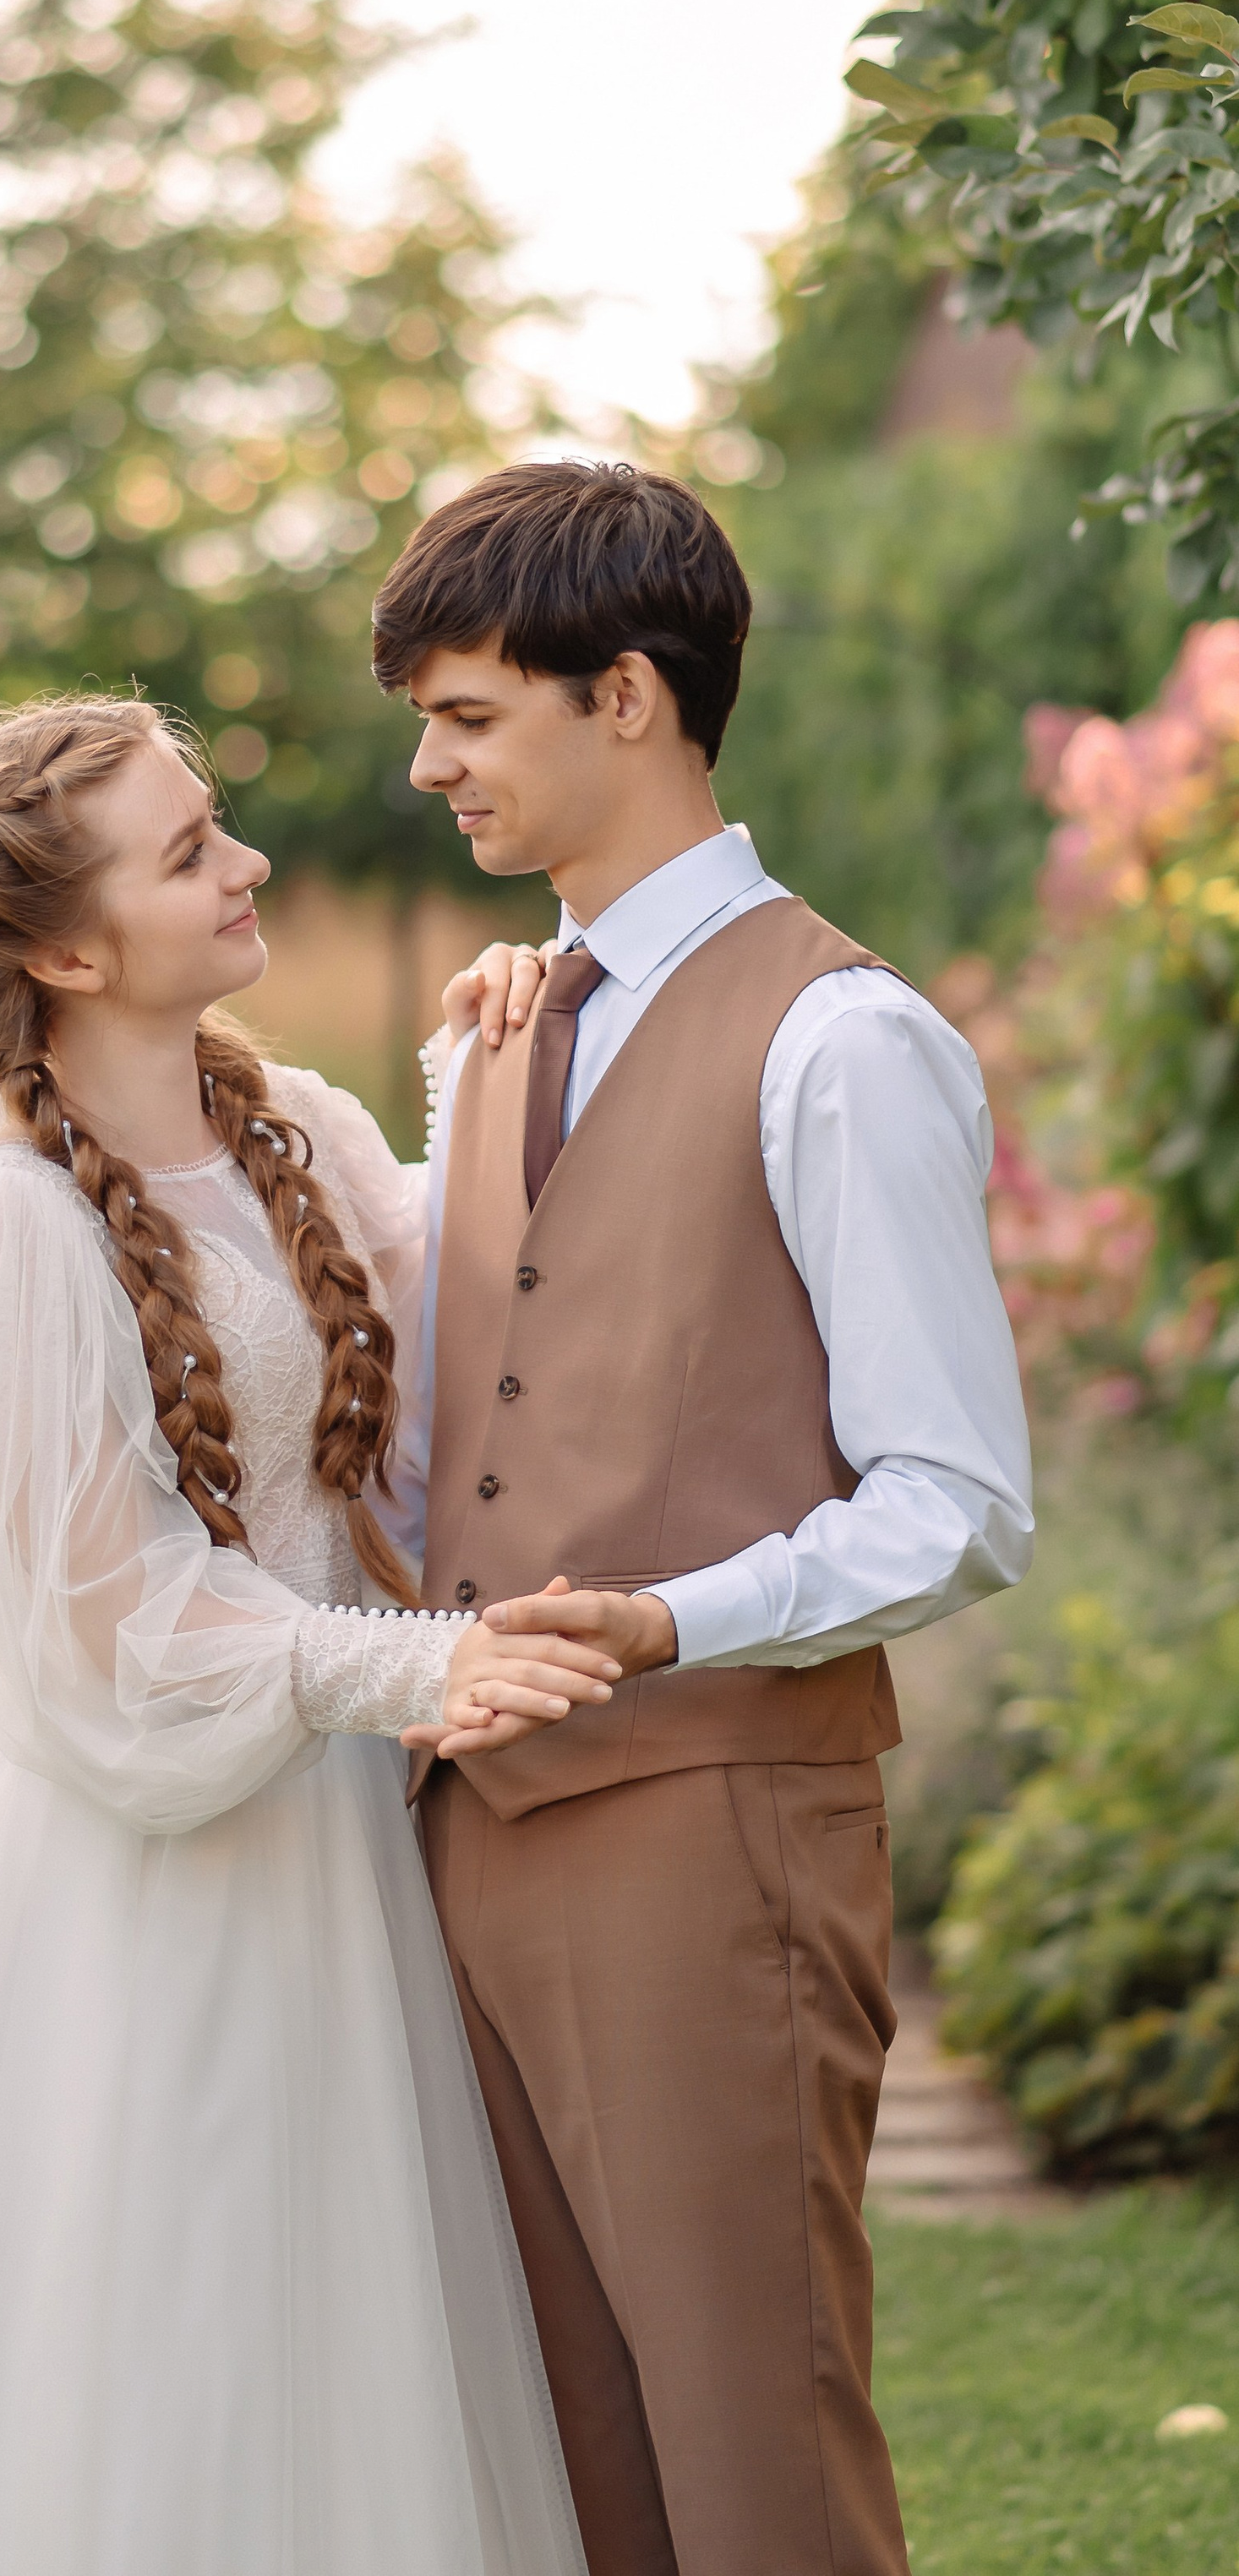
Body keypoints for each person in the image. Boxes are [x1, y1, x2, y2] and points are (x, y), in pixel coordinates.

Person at [0, 693, 614, 2576]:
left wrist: (475, 1075)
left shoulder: (297, 1129)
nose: (244, 866)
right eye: (185, 852)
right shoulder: (12, 1232)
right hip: (119, 1881)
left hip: (324, 1858)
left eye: (213, 822)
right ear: (66, 948)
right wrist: (409, 1671)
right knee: (143, 2348)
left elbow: (453, 1390)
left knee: (336, 2348)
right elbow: (104, 1625)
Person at [370, 460, 1036, 2576]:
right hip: (472, 1836)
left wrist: (663, 1619)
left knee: (754, 2453)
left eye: (468, 713)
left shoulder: (841, 1040)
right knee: (578, 2462)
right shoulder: (491, 1041)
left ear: (628, 698)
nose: (426, 763)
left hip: (716, 1834)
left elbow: (955, 1500)